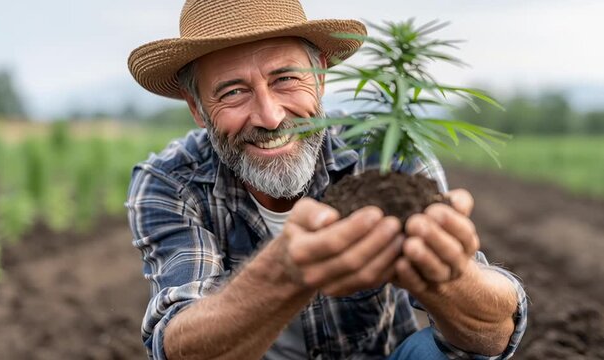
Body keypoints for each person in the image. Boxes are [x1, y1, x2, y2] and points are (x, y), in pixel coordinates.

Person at [126, 0, 527, 359]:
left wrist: (450, 275)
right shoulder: (171, 181)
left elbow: (492, 336)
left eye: (285, 78)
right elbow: (178, 346)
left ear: (319, 77)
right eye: (233, 92)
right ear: (198, 108)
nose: (270, 116)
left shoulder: (381, 153)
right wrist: (283, 273)